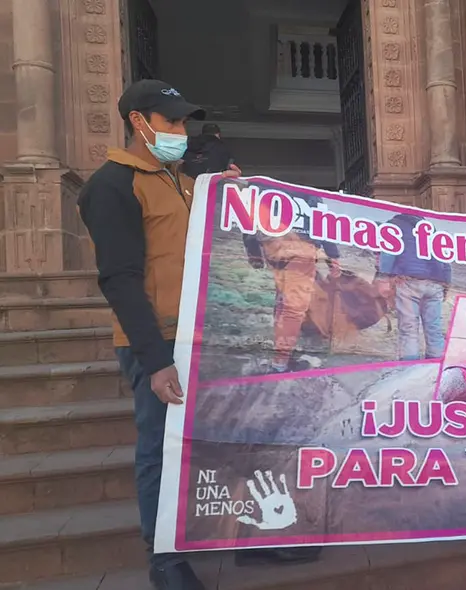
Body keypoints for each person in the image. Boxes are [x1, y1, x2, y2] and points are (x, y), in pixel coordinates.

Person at [77, 80, 315, 590]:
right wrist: (154, 359)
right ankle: (163, 558)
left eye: (184, 122)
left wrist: (220, 191)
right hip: (158, 342)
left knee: (232, 436)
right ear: (139, 122)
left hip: (205, 337)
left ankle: (250, 535)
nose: (181, 132)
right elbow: (118, 277)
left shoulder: (184, 183)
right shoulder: (113, 185)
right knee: (160, 450)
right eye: (171, 122)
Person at [243, 194, 343, 373]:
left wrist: (253, 251)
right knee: (294, 308)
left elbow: (247, 218)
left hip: (271, 246)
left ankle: (283, 355)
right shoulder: (308, 195)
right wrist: (332, 256)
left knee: (283, 302)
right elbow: (322, 224)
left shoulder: (260, 189)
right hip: (300, 247)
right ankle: (280, 362)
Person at [378, 213, 451, 360]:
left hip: (409, 283)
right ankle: (436, 365)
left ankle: (410, 368)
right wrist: (446, 281)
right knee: (434, 328)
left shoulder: (394, 224)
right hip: (434, 283)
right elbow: (444, 256)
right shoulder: (429, 227)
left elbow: (388, 253)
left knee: (409, 329)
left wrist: (385, 275)